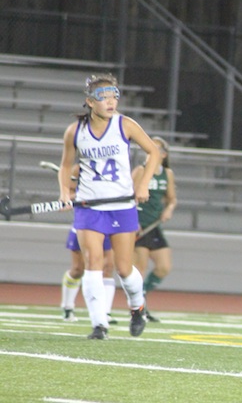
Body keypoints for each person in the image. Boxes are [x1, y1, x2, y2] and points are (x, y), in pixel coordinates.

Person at [58, 73, 161, 340]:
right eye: (104, 97)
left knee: (124, 269)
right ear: (90, 102)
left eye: (114, 96)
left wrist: (143, 184)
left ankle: (137, 306)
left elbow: (155, 152)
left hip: (121, 204)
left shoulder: (125, 125)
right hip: (89, 205)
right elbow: (66, 165)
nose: (111, 101)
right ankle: (98, 324)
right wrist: (63, 193)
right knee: (93, 262)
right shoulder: (75, 131)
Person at [60, 165, 117, 324]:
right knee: (78, 269)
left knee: (108, 267)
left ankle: (105, 312)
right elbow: (69, 191)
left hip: (107, 220)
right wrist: (75, 196)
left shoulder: (115, 163)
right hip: (86, 222)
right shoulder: (79, 169)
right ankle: (67, 306)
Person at [132, 136, 177, 323]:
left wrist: (168, 209)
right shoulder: (140, 171)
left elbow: (172, 199)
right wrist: (132, 221)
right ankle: (138, 308)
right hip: (139, 225)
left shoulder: (167, 174)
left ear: (163, 155)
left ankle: (141, 297)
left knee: (164, 267)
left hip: (154, 226)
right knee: (139, 270)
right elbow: (129, 198)